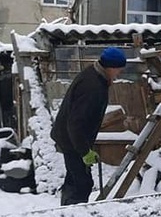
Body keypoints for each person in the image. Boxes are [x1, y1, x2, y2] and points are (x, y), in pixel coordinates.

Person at [51, 46, 127, 206]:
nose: (119, 73)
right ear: (111, 67)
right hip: (71, 140)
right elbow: (76, 123)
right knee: (82, 184)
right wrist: (84, 151)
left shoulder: (95, 75)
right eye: (119, 70)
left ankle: (68, 211)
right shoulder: (93, 87)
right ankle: (74, 215)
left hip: (71, 137)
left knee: (75, 179)